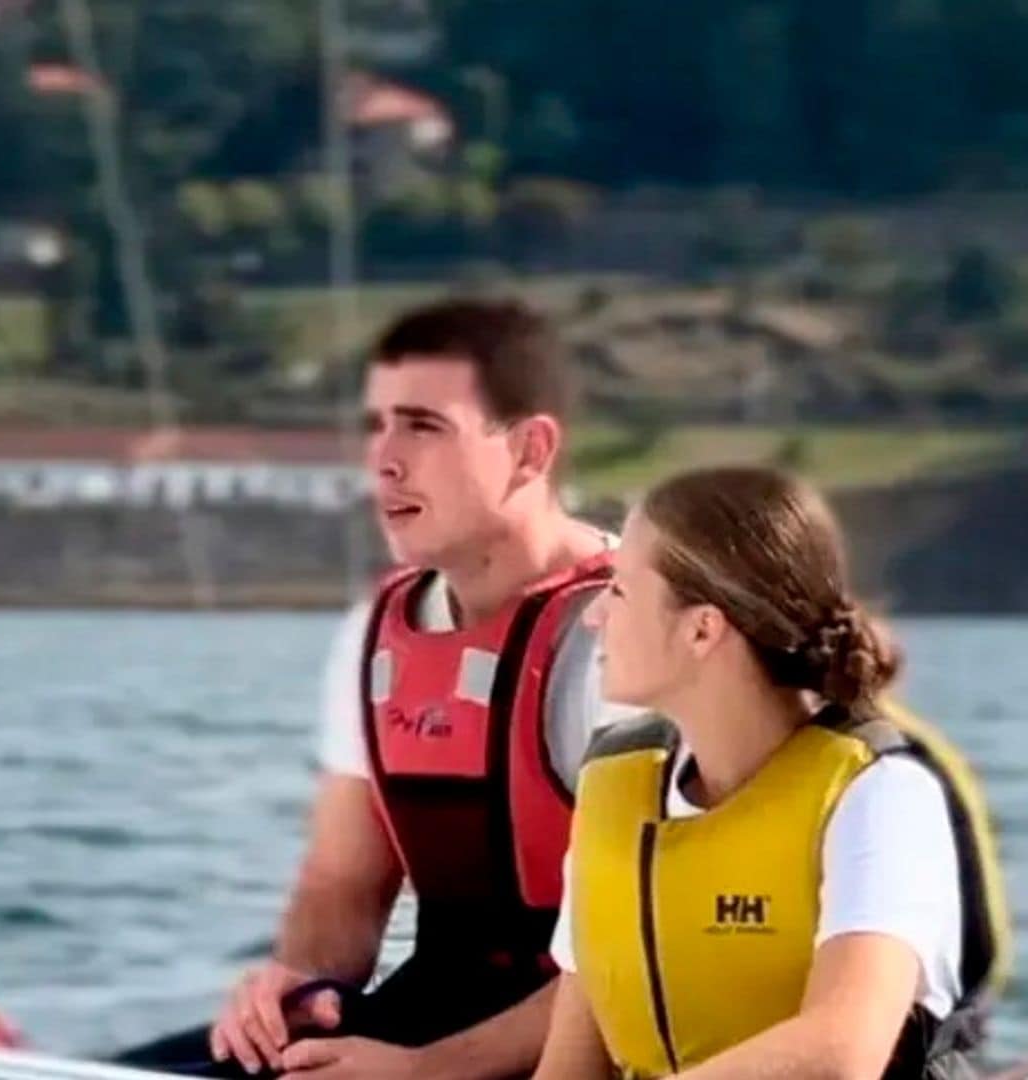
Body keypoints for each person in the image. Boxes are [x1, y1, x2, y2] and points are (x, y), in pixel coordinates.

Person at [118, 299, 639, 1080]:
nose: (384, 461)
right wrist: (297, 988)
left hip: (597, 1045)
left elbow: (649, 951)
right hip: (428, 1018)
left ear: (530, 450)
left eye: (423, 427)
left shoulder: (635, 632)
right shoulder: (376, 631)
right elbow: (343, 880)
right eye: (376, 427)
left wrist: (425, 1072)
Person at [534, 466, 1006, 1079]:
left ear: (702, 628)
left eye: (619, 591)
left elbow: (841, 1054)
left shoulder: (879, 796)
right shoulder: (613, 791)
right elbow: (569, 1068)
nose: (595, 616)